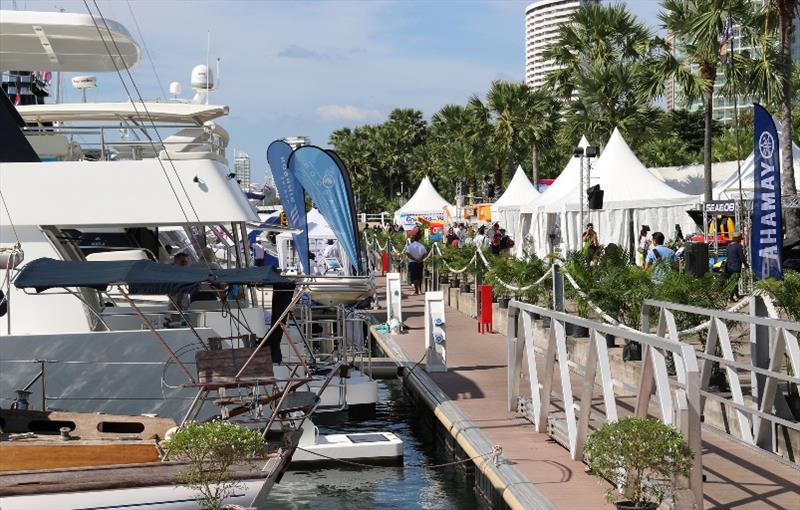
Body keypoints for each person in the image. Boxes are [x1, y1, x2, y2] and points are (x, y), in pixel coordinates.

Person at [725, 232, 748, 298]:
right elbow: (742, 257)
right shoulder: (738, 246)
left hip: (729, 267)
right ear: (737, 239)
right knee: (735, 282)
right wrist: (746, 265)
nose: (741, 240)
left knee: (732, 281)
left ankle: (737, 295)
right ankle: (731, 297)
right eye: (740, 239)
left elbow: (728, 256)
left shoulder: (728, 246)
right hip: (736, 267)